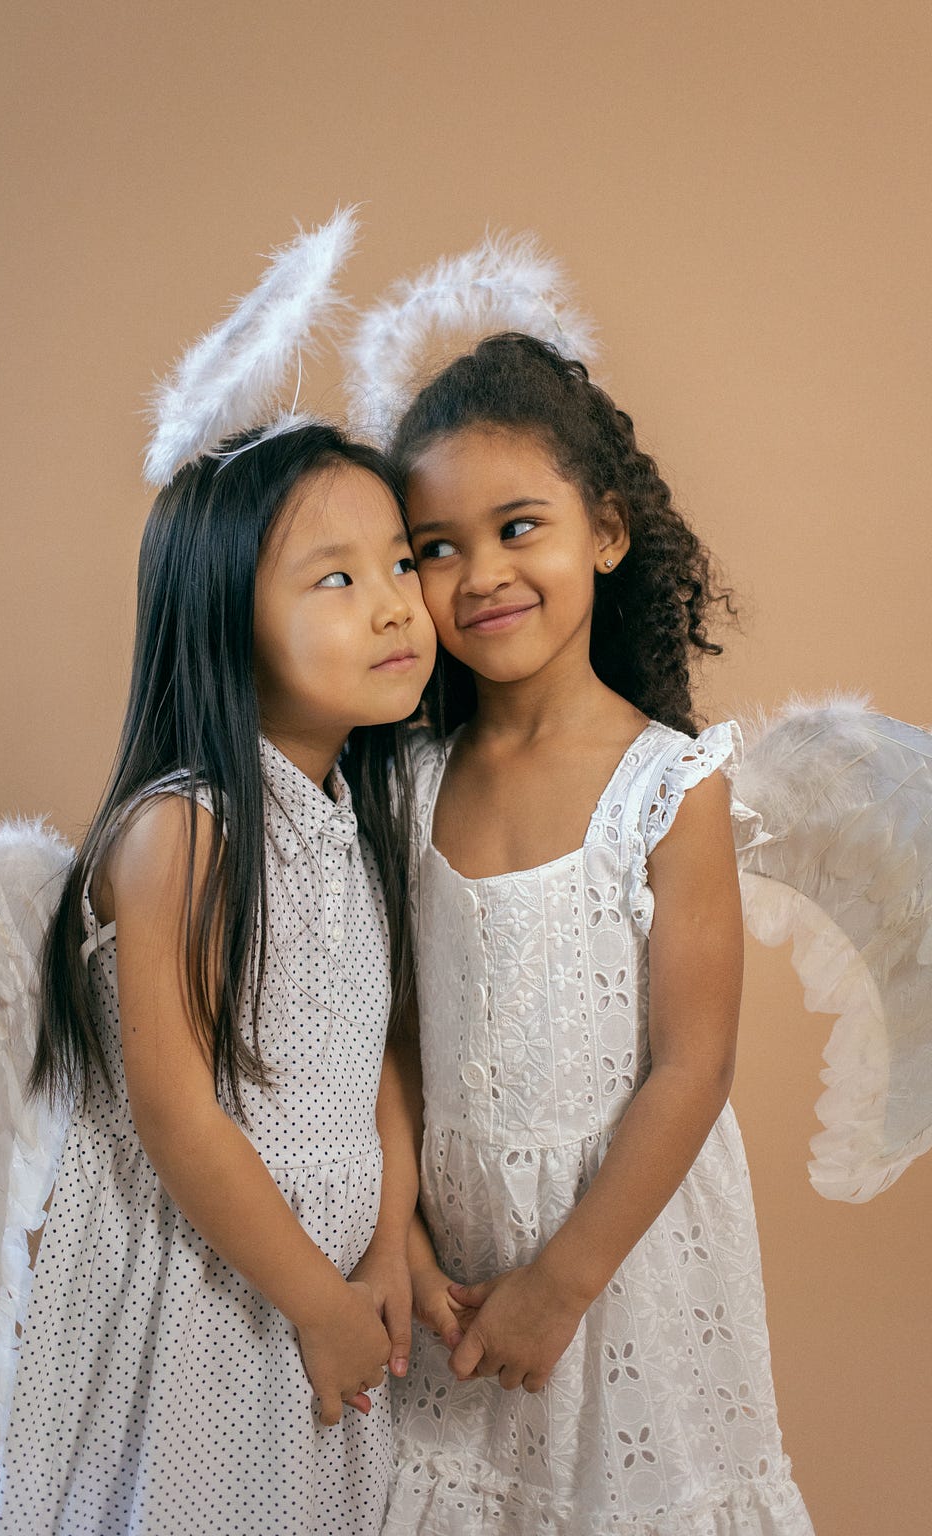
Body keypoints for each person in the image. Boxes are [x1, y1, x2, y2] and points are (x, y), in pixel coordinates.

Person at [382, 334, 815, 1533]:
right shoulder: (409, 783)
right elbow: (400, 1041)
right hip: (456, 1281)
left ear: (606, 535)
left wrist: (565, 1281)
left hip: (624, 1263)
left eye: (520, 526)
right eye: (436, 548)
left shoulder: (667, 788)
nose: (480, 574)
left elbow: (693, 1063)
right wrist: (405, 1241)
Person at [0, 422, 436, 1535]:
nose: (393, 604)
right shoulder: (187, 831)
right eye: (336, 577)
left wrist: (382, 1249)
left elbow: (372, 1059)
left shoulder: (353, 823)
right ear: (224, 618)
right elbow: (176, 1112)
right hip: (203, 1285)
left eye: (399, 562)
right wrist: (313, 1302)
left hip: (332, 1279)